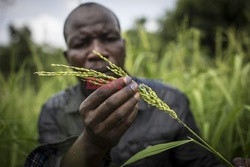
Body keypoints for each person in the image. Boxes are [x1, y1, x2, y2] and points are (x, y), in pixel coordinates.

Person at [25, 2, 249, 167]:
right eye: (81, 43)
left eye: (109, 38)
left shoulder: (171, 101)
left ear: (124, 46)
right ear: (67, 58)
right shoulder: (53, 111)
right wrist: (92, 143)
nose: (98, 52)